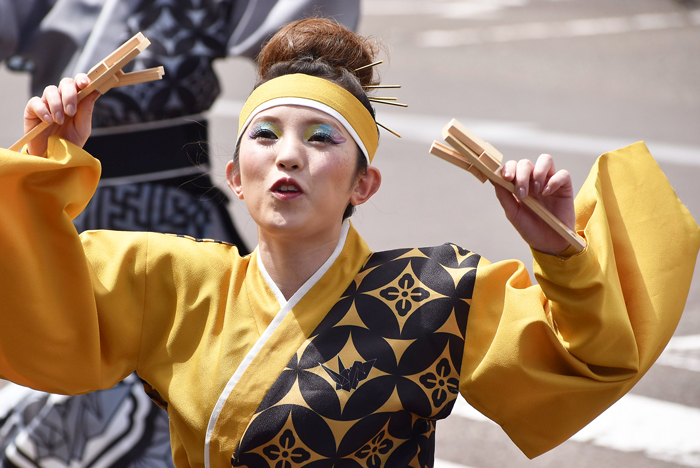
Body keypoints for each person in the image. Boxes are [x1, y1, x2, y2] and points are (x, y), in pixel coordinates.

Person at [1, 17, 698, 468]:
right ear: (234, 180)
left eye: (322, 138)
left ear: (364, 185)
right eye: (266, 137)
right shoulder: (173, 280)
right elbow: (36, 304)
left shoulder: (434, 295)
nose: (289, 157)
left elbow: (587, 358)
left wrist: (559, 253)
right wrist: (45, 159)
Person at [0, 2, 360, 467]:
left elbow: (308, 54)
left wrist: (316, 104)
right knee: (71, 361)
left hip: (174, 202)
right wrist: (46, 168)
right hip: (73, 189)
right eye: (267, 136)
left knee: (200, 369)